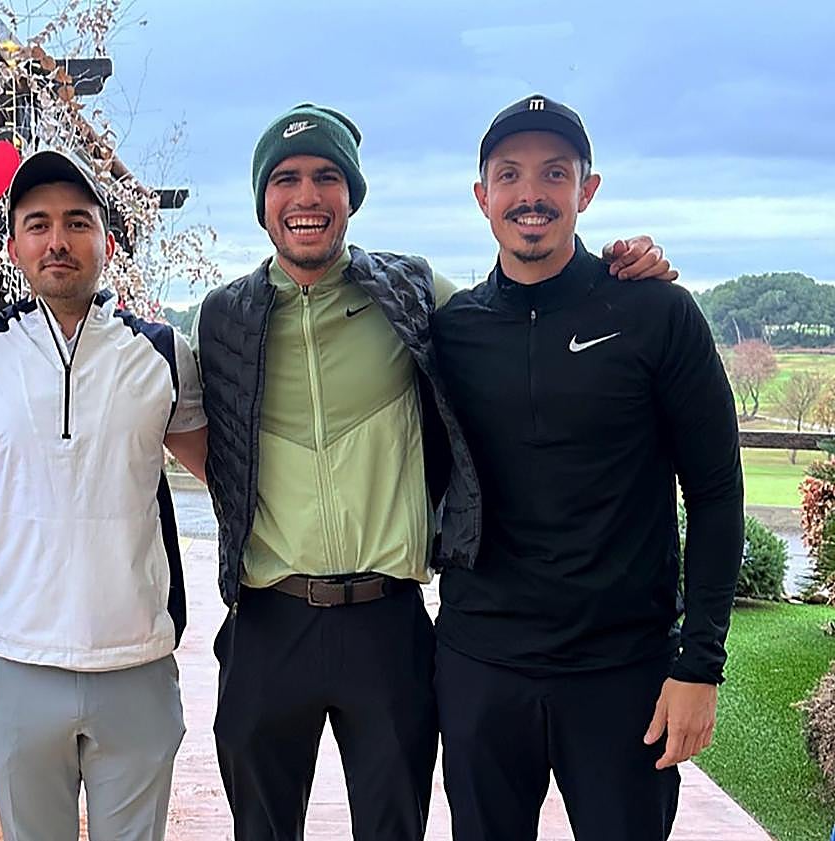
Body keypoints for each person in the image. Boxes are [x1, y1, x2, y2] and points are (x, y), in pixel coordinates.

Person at [192, 102, 676, 841]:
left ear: (352, 195)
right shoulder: (223, 315)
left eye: (327, 176)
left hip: (387, 622)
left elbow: (513, 308)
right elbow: (196, 436)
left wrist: (630, 267)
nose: (307, 196)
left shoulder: (413, 294)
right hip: (266, 621)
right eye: (285, 179)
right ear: (262, 200)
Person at [432, 94, 744, 841]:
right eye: (509, 175)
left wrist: (699, 664)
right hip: (481, 664)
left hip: (623, 673)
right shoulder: (451, 332)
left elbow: (715, 492)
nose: (531, 194)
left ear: (587, 190)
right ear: (482, 196)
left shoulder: (657, 314)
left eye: (555, 173)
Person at [0, 149, 208, 841]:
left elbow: (226, 474)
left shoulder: (162, 353)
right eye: (37, 224)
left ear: (107, 243)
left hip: (137, 664)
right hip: (16, 662)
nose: (57, 240)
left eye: (77, 222)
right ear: (13, 246)